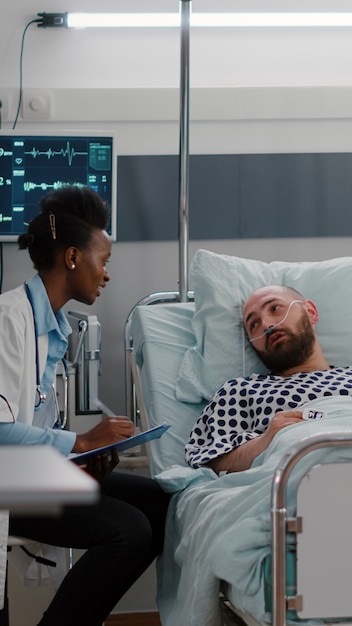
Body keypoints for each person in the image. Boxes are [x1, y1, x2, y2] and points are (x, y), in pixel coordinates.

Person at [0, 185, 170, 626]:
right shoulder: (8, 321)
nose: (107, 274)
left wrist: (83, 459)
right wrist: (80, 441)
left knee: (160, 503)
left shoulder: (54, 329)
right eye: (104, 261)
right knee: (127, 530)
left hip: (33, 473)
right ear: (73, 258)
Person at [185, 284, 352, 474]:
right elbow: (207, 461)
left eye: (275, 308)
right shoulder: (240, 391)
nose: (266, 325)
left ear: (310, 312)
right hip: (300, 482)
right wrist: (267, 441)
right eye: (253, 325)